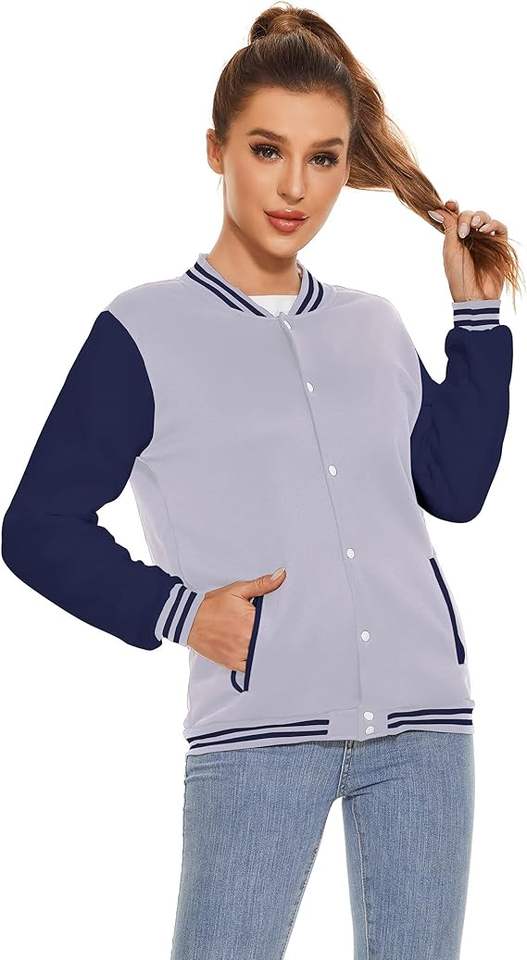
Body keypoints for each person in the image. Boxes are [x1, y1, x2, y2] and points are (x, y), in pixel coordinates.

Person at [1, 4, 520, 958]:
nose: (294, 187)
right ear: (216, 150)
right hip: (258, 731)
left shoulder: (370, 324)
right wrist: (180, 612)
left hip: (425, 730)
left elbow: (453, 489)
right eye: (266, 150)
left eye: (323, 158)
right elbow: (37, 524)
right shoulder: (143, 330)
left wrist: (475, 320)